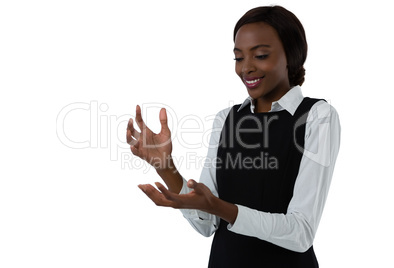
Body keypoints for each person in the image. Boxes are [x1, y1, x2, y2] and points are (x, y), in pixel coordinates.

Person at [126, 5, 340, 268]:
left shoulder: (317, 116)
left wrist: (221, 208)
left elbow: (301, 232)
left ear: (291, 56)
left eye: (260, 55)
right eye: (238, 58)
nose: (246, 68)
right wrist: (166, 168)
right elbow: (207, 225)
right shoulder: (225, 119)